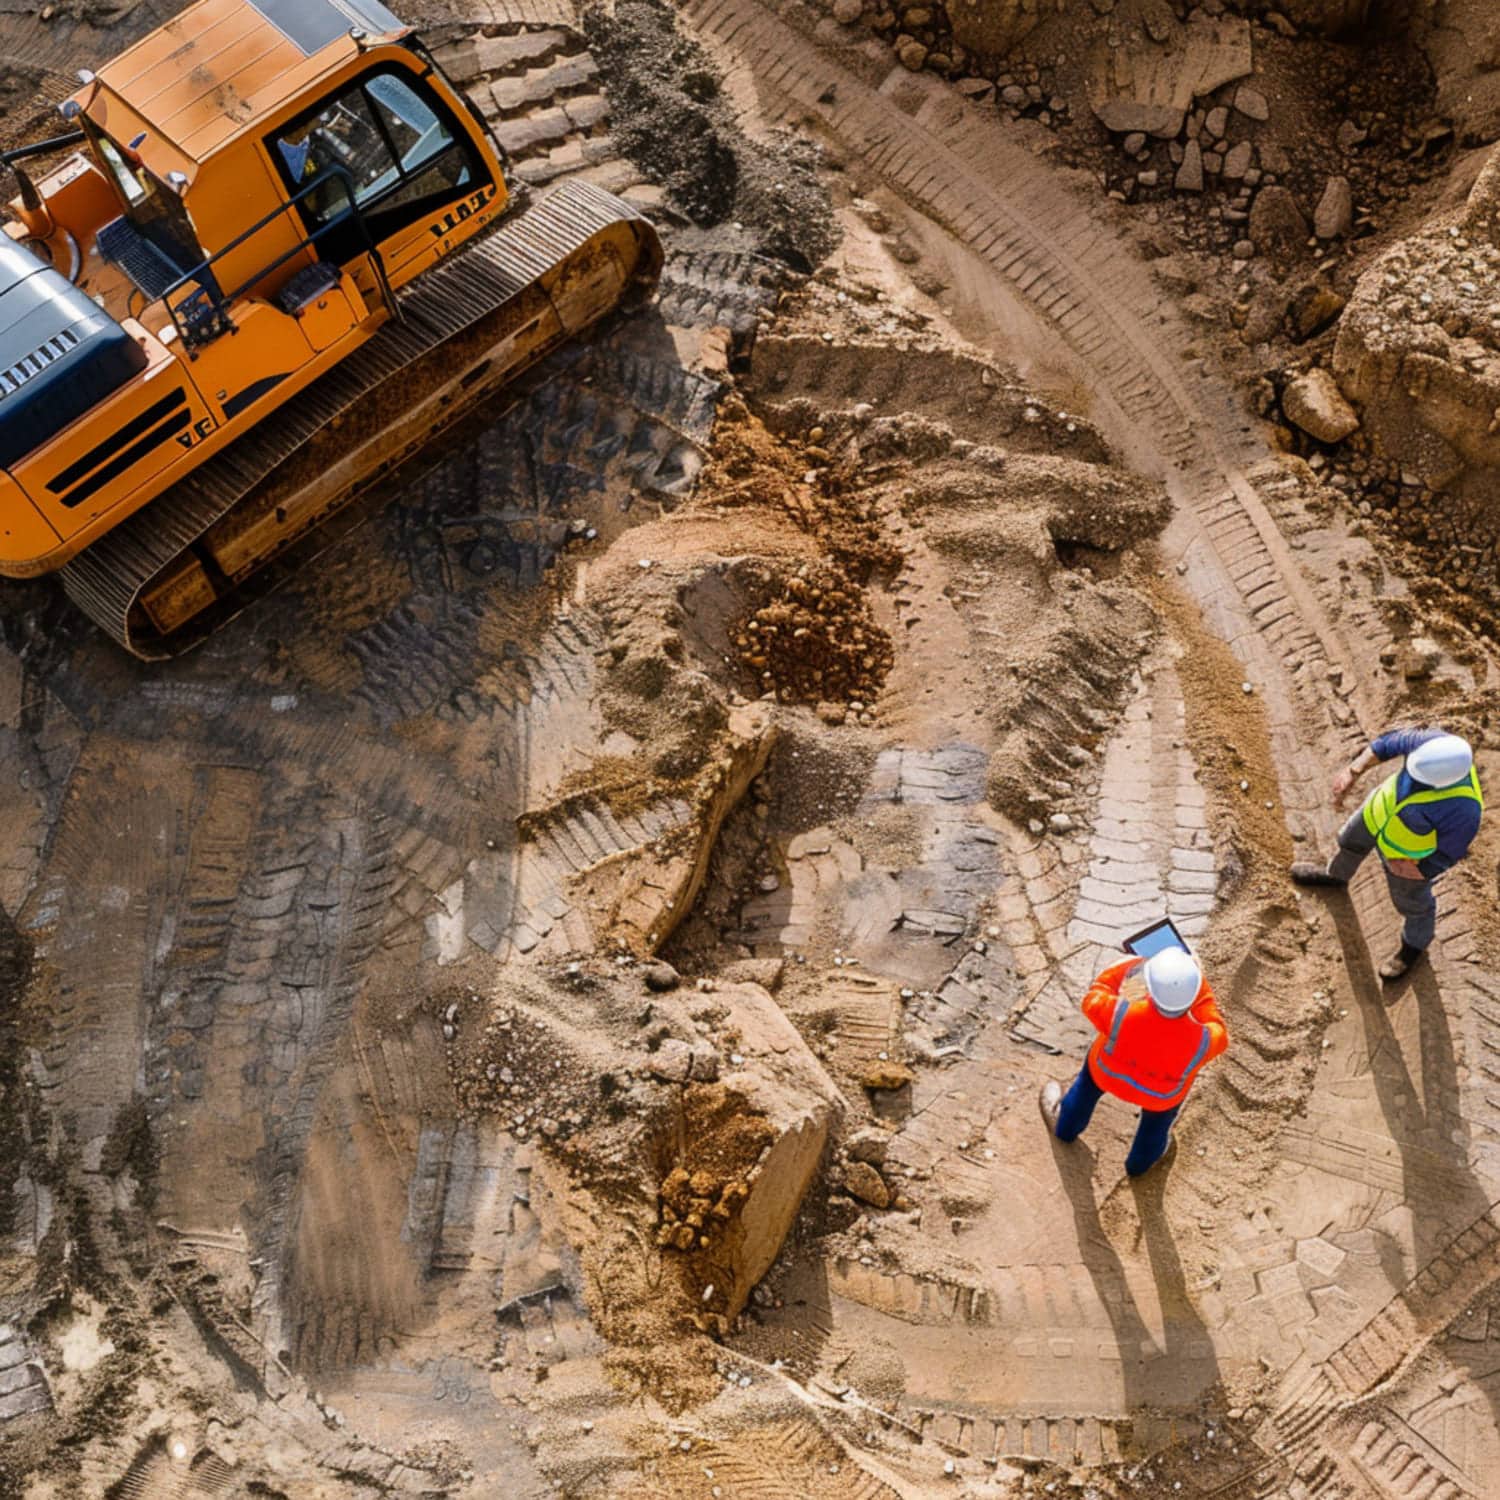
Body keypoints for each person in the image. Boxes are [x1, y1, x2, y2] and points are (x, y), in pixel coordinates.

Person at [1291, 729, 1483, 981]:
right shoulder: (1436, 744)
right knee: (1349, 841)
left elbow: (1450, 852)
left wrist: (1419, 871)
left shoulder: (1465, 809)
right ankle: (1335, 875)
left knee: (1412, 903)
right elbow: (1388, 744)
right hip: (1376, 812)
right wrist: (1353, 771)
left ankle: (1413, 948)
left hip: (1404, 856)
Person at [1038, 948, 1228, 1176]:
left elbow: (1094, 995)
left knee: (1083, 1093)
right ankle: (1139, 1165)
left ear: (1149, 984)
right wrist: (1196, 983)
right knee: (1156, 1128)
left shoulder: (1120, 1012)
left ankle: (1065, 1127)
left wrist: (1130, 964)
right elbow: (1215, 1022)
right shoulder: (1207, 1040)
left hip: (1106, 1074)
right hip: (1161, 1096)